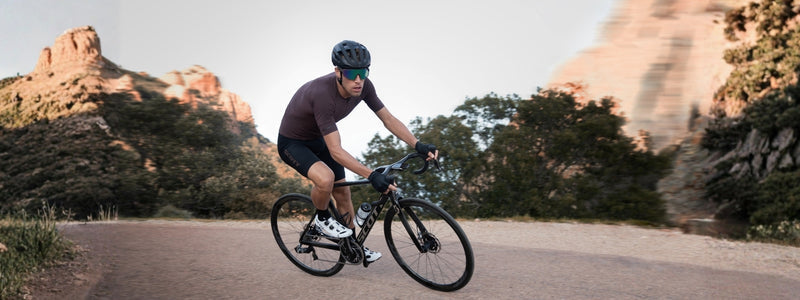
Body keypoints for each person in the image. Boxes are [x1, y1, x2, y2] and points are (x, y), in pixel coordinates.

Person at [277, 40, 438, 263]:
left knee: (343, 192)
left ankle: (351, 246)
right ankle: (322, 219)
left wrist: (418, 144)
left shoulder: (365, 87)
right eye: (352, 73)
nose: (358, 80)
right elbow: (335, 150)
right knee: (326, 179)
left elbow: (388, 119)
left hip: (318, 139)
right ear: (338, 72)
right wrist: (371, 175)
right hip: (293, 143)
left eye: (363, 72)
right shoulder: (322, 95)